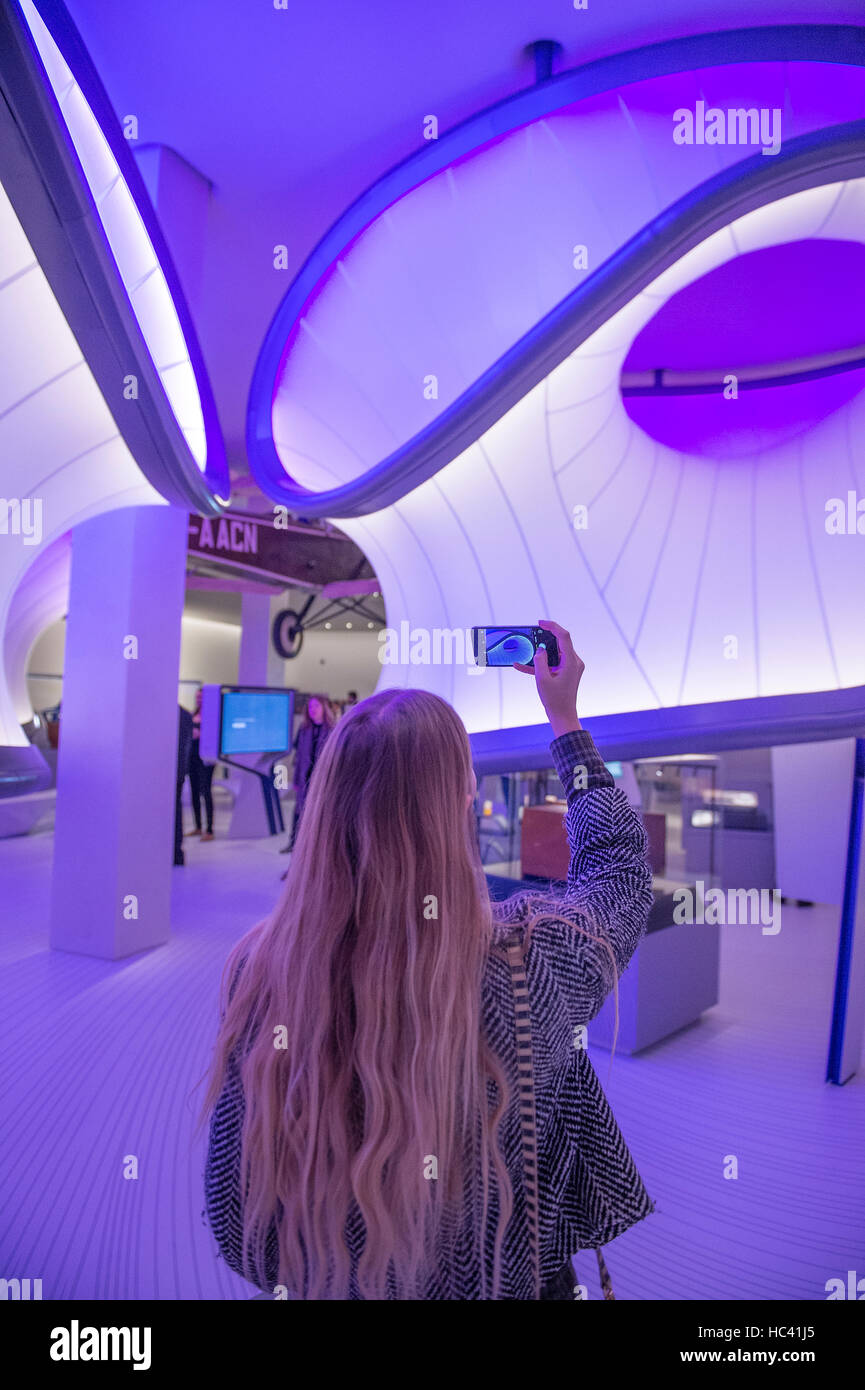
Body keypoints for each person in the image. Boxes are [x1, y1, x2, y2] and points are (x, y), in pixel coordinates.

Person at [201, 621, 654, 1298]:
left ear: (324, 803)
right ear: (458, 803)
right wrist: (564, 722)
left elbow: (239, 1226)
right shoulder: (528, 961)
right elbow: (618, 875)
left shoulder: (261, 967)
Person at [279, 694, 334, 854]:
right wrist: (296, 781)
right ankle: (294, 843)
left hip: (323, 782)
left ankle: (317, 848)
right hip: (304, 779)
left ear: (324, 708)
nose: (313, 710)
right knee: (299, 812)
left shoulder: (332, 730)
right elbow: (299, 757)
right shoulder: (304, 730)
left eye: (316, 706)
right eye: (310, 707)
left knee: (320, 815)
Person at [188, 687, 216, 841]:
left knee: (206, 792)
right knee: (194, 792)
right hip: (192, 758)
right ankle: (198, 826)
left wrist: (201, 734)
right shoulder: (193, 714)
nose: (198, 700)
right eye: (197, 697)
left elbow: (213, 736)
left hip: (206, 760)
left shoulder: (211, 716)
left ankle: (209, 829)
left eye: (201, 697)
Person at [174, 704, 193, 866]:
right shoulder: (186, 715)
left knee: (173, 811)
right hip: (179, 772)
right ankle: (176, 852)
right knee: (176, 810)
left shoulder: (174, 714)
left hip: (172, 773)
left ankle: (175, 852)